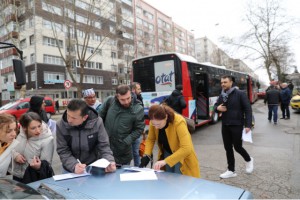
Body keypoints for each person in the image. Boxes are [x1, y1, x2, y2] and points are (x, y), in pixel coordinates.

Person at [139, 104, 200, 178]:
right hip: (167, 152)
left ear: (166, 117)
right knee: (168, 179)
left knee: (179, 180)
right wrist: (147, 155)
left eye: (158, 124)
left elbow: (187, 148)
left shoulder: (179, 121)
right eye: (154, 124)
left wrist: (165, 161)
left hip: (181, 155)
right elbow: (151, 139)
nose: (156, 127)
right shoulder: (154, 121)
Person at [56, 99, 116, 174]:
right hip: (70, 169)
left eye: (74, 118)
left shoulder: (97, 122)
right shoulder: (60, 125)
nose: (69, 120)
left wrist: (109, 161)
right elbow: (63, 150)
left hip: (92, 167)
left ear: (84, 117)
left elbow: (104, 146)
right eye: (68, 115)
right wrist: (74, 166)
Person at [214, 75, 253, 179]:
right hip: (225, 125)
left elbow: (248, 110)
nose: (223, 84)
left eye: (225, 82)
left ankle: (249, 159)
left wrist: (248, 124)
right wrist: (217, 108)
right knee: (228, 148)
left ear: (231, 82)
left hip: (237, 124)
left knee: (237, 147)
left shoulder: (240, 94)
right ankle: (231, 170)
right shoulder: (222, 95)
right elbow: (215, 106)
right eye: (221, 82)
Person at [99, 84, 145, 165]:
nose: (126, 102)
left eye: (128, 98)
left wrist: (126, 141)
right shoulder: (110, 101)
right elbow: (98, 119)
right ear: (117, 97)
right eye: (123, 100)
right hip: (106, 149)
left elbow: (139, 129)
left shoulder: (138, 108)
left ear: (130, 94)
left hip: (123, 151)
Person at [8, 112, 54, 183]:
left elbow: (46, 165)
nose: (38, 130)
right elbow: (9, 147)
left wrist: (38, 167)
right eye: (33, 128)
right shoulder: (19, 133)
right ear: (24, 128)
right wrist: (15, 155)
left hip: (33, 177)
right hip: (17, 176)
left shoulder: (47, 139)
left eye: (39, 126)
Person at [130, 82, 144, 166]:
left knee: (136, 152)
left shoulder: (140, 98)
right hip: (130, 131)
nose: (140, 90)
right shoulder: (130, 100)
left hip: (136, 130)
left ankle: (138, 168)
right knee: (132, 153)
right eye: (138, 89)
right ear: (133, 90)